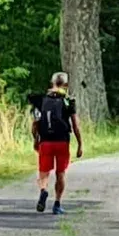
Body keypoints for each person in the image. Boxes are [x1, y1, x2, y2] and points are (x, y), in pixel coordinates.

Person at [29, 72, 83, 215]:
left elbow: (35, 124)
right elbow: (76, 125)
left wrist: (36, 140)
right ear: (66, 85)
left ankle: (43, 191)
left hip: (45, 142)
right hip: (62, 142)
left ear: (51, 83)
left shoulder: (41, 100)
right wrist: (79, 144)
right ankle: (57, 204)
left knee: (43, 173)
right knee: (61, 174)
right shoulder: (68, 101)